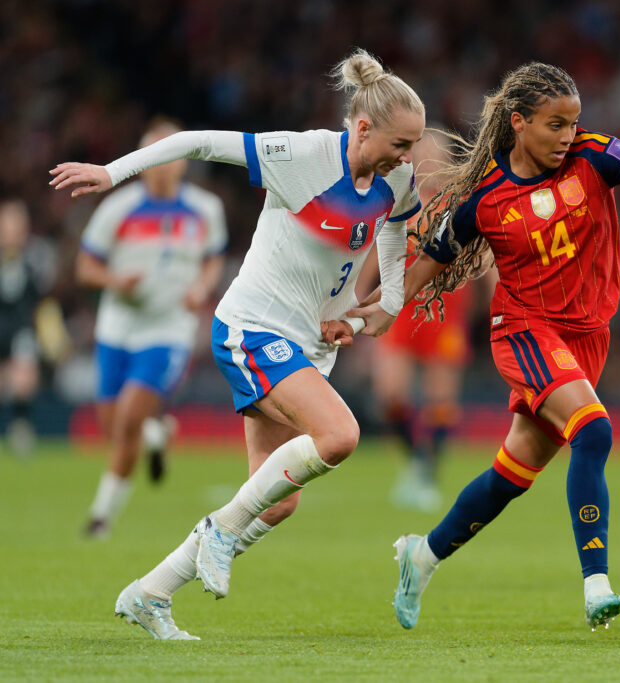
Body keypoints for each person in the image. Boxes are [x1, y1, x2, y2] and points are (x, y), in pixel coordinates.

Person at [325, 62, 620, 630]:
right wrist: (379, 310)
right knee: (594, 430)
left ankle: (422, 556)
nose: (569, 135)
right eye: (555, 124)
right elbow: (428, 263)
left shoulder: (599, 155)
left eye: (573, 122)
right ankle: (597, 585)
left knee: (512, 474)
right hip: (523, 329)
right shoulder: (484, 197)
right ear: (519, 123)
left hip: (587, 336)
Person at [50, 48, 425, 640]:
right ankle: (219, 532)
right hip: (253, 327)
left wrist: (384, 305)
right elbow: (196, 141)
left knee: (275, 502)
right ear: (361, 128)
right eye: (401, 144)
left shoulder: (396, 176)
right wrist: (113, 172)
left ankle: (150, 593)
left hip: (308, 345)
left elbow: (398, 227)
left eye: (413, 145)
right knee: (340, 435)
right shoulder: (299, 156)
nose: (408, 157)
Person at [75, 118, 228, 539]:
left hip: (168, 328)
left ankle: (100, 517)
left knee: (127, 420)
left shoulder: (205, 209)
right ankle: (156, 433)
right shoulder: (118, 208)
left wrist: (202, 286)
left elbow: (214, 258)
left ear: (183, 161)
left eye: (169, 156)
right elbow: (85, 267)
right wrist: (113, 280)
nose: (161, 165)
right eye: (152, 157)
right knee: (113, 428)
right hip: (117, 326)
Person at [359, 130, 492, 513]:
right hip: (400, 310)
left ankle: (428, 474)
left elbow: (484, 255)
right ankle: (417, 461)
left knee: (441, 402)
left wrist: (495, 298)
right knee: (390, 396)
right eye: (423, 153)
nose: (429, 160)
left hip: (446, 313)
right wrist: (358, 295)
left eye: (436, 154)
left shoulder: (463, 203)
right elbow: (377, 251)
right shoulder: (399, 200)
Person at [0, 199, 62, 457]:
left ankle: (21, 426)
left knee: (23, 375)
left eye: (17, 225)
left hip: (21, 329)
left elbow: (43, 303)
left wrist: (52, 336)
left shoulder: (36, 258)